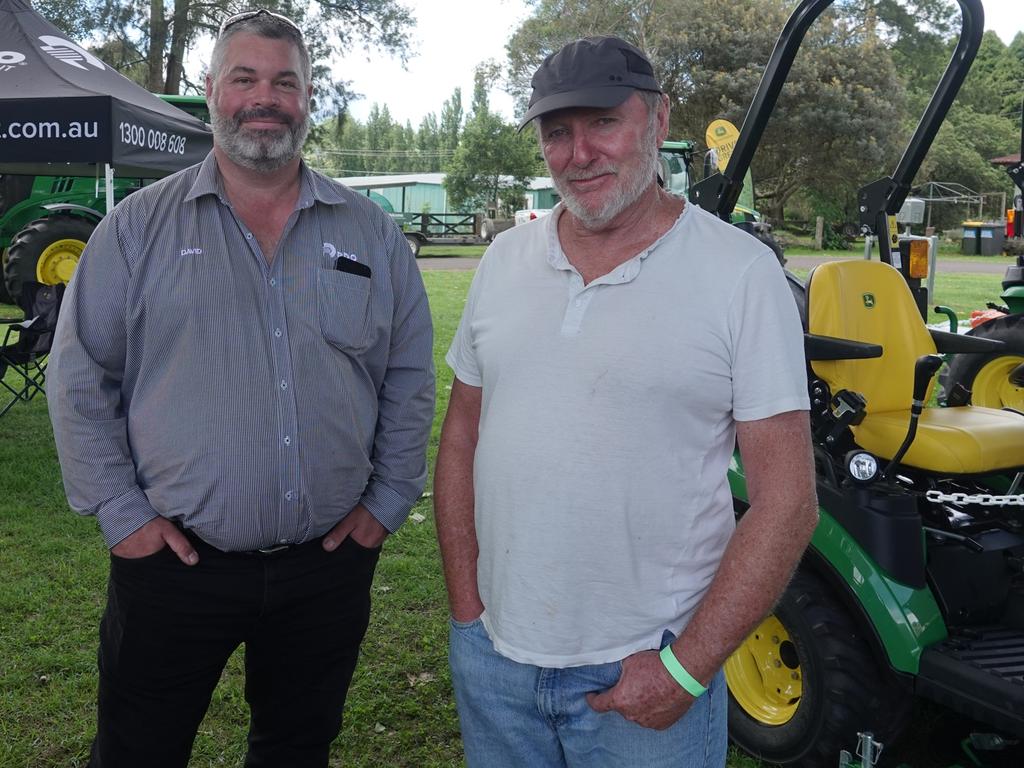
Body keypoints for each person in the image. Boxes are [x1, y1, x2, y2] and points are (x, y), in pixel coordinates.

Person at [46, 9, 434, 767]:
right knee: (137, 751)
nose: (265, 97)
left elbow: (409, 376)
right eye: (244, 78)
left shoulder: (370, 234)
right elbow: (80, 377)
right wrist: (123, 517)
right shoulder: (135, 230)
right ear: (211, 90)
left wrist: (388, 501)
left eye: (284, 81)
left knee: (296, 747)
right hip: (173, 568)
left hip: (326, 567)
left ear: (309, 96)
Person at [434, 35, 818, 768]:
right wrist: (466, 612)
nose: (579, 153)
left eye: (602, 122)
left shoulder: (739, 274)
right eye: (556, 132)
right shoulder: (505, 262)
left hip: (646, 675)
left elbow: (788, 500)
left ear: (657, 117)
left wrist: (687, 669)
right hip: (496, 664)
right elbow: (461, 435)